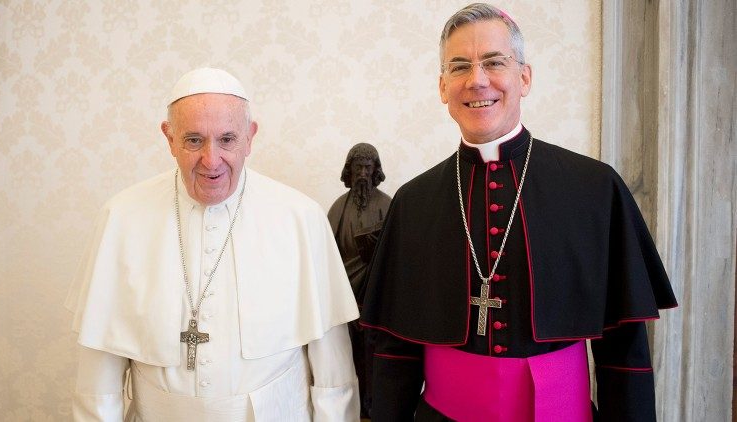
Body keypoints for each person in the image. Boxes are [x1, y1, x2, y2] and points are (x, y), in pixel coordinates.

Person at [359, 4, 677, 421]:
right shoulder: (413, 202)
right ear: (442, 87)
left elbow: (624, 352)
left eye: (494, 62)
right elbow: (394, 355)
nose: (477, 80)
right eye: (459, 67)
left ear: (524, 78)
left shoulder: (595, 189)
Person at [65, 67, 360, 421]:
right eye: (193, 140)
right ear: (169, 138)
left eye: (227, 139)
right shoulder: (121, 217)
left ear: (250, 137)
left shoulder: (301, 217)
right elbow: (98, 381)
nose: (211, 159)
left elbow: (334, 377)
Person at [328, 143, 392, 418]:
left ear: (375, 170)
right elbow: (327, 254)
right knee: (346, 355)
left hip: (376, 296)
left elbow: (396, 252)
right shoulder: (338, 208)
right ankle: (350, 406)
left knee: (374, 357)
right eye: (358, 168)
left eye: (368, 167)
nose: (363, 173)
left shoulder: (388, 205)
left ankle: (373, 404)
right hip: (344, 294)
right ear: (349, 171)